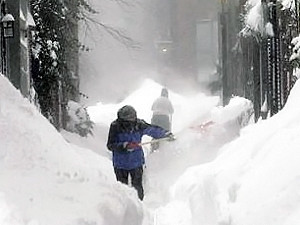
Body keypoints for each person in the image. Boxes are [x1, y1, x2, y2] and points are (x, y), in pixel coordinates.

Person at [106, 105, 174, 200]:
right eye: (130, 119)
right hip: (120, 164)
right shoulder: (115, 127)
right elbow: (110, 145)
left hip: (136, 163)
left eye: (134, 118)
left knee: (138, 188)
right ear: (123, 119)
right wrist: (124, 146)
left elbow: (152, 130)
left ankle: (140, 208)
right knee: (122, 190)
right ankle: (124, 209)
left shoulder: (138, 124)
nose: (133, 121)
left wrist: (165, 134)